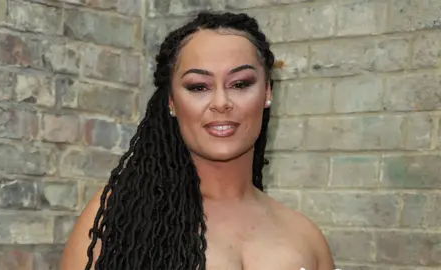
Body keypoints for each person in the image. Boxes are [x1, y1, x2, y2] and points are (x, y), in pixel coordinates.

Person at [60, 11, 334, 270]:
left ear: (267, 92)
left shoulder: (307, 237)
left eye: (240, 84)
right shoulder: (117, 215)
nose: (221, 103)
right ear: (171, 101)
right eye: (198, 87)